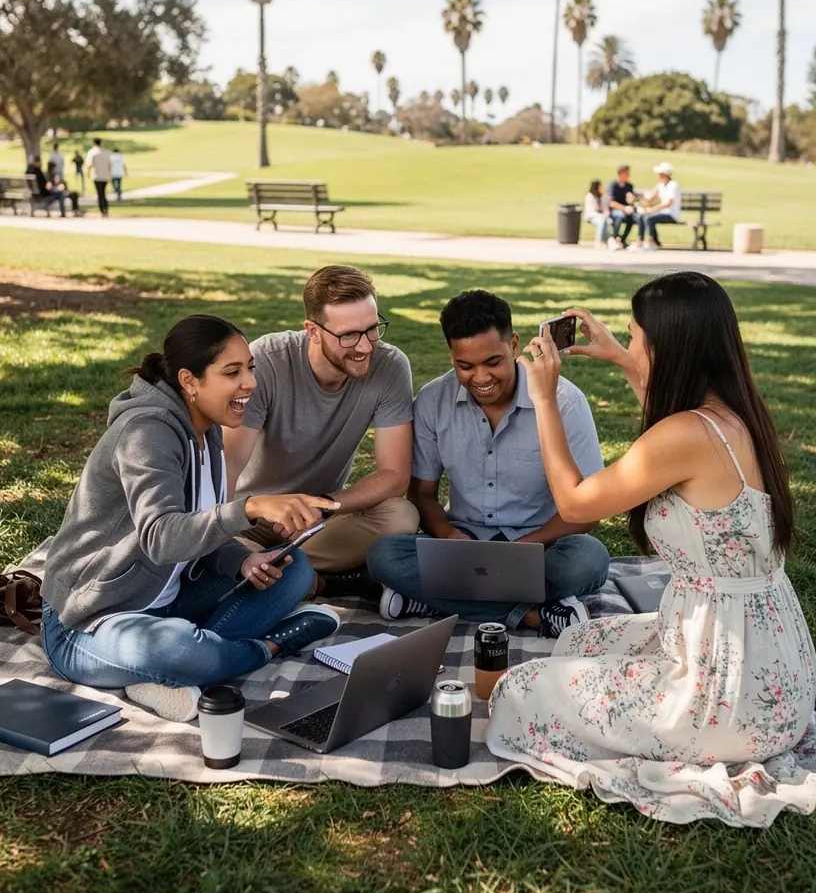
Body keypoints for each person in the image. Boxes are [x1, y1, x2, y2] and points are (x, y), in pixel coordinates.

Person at [486, 272, 816, 826]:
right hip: (771, 669)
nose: (631, 346)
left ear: (671, 349)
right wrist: (620, 356)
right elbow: (666, 421)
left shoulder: (686, 435)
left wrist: (543, 397)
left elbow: (575, 503)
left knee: (520, 691)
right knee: (583, 638)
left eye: (636, 338)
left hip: (723, 691)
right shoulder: (736, 412)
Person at [40, 314, 342, 724]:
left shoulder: (208, 427)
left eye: (250, 368)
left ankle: (173, 670)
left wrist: (240, 561)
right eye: (232, 372)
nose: (249, 383)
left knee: (295, 571)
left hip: (167, 599)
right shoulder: (147, 433)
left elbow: (200, 528)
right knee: (181, 651)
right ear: (190, 381)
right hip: (88, 620)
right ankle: (267, 646)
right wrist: (250, 508)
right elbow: (161, 538)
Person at [367, 291, 610, 638]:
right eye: (464, 366)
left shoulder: (565, 401)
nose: (480, 377)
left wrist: (526, 547)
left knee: (589, 559)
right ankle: (531, 615)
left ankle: (433, 600)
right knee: (383, 555)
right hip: (462, 543)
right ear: (451, 355)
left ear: (513, 345)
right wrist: (450, 537)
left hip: (541, 546)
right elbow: (422, 494)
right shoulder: (433, 401)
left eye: (492, 362)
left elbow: (588, 511)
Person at [223, 265, 419, 599]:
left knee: (400, 515)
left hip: (320, 520)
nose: (366, 346)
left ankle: (292, 578)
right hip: (251, 520)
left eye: (373, 329)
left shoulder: (389, 366)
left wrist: (325, 505)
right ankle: (324, 581)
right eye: (349, 335)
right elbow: (227, 469)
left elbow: (394, 476)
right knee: (217, 561)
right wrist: (263, 510)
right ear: (313, 331)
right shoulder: (265, 363)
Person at [634, 162, 681, 249]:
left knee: (649, 218)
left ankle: (652, 241)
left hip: (670, 214)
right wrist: (644, 203)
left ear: (665, 174)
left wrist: (652, 209)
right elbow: (651, 195)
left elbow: (668, 203)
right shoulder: (661, 185)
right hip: (662, 213)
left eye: (660, 173)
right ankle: (640, 241)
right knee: (643, 216)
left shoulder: (673, 185)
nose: (658, 175)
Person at [605, 164, 637, 250]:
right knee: (619, 216)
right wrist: (623, 208)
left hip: (626, 210)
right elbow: (611, 202)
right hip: (615, 210)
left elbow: (630, 201)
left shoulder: (629, 186)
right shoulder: (613, 185)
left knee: (632, 218)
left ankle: (623, 239)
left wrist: (631, 200)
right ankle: (614, 238)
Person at [27, 154, 66, 219]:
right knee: (61, 193)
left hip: (33, 193)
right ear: (37, 162)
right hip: (43, 193)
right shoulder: (38, 172)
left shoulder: (29, 171)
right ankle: (63, 213)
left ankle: (45, 206)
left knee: (57, 191)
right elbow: (45, 184)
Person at [85, 137, 112, 216]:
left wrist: (88, 173)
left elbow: (89, 165)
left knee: (100, 193)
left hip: (97, 175)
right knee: (103, 193)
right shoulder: (106, 152)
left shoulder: (92, 152)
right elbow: (110, 165)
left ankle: (102, 210)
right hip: (105, 175)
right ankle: (105, 209)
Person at [582, 179, 610, 247]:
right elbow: (591, 211)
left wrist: (606, 213)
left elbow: (605, 207)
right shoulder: (589, 196)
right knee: (601, 222)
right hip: (591, 216)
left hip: (601, 216)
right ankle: (599, 241)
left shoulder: (602, 196)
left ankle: (608, 240)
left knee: (604, 221)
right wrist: (601, 216)